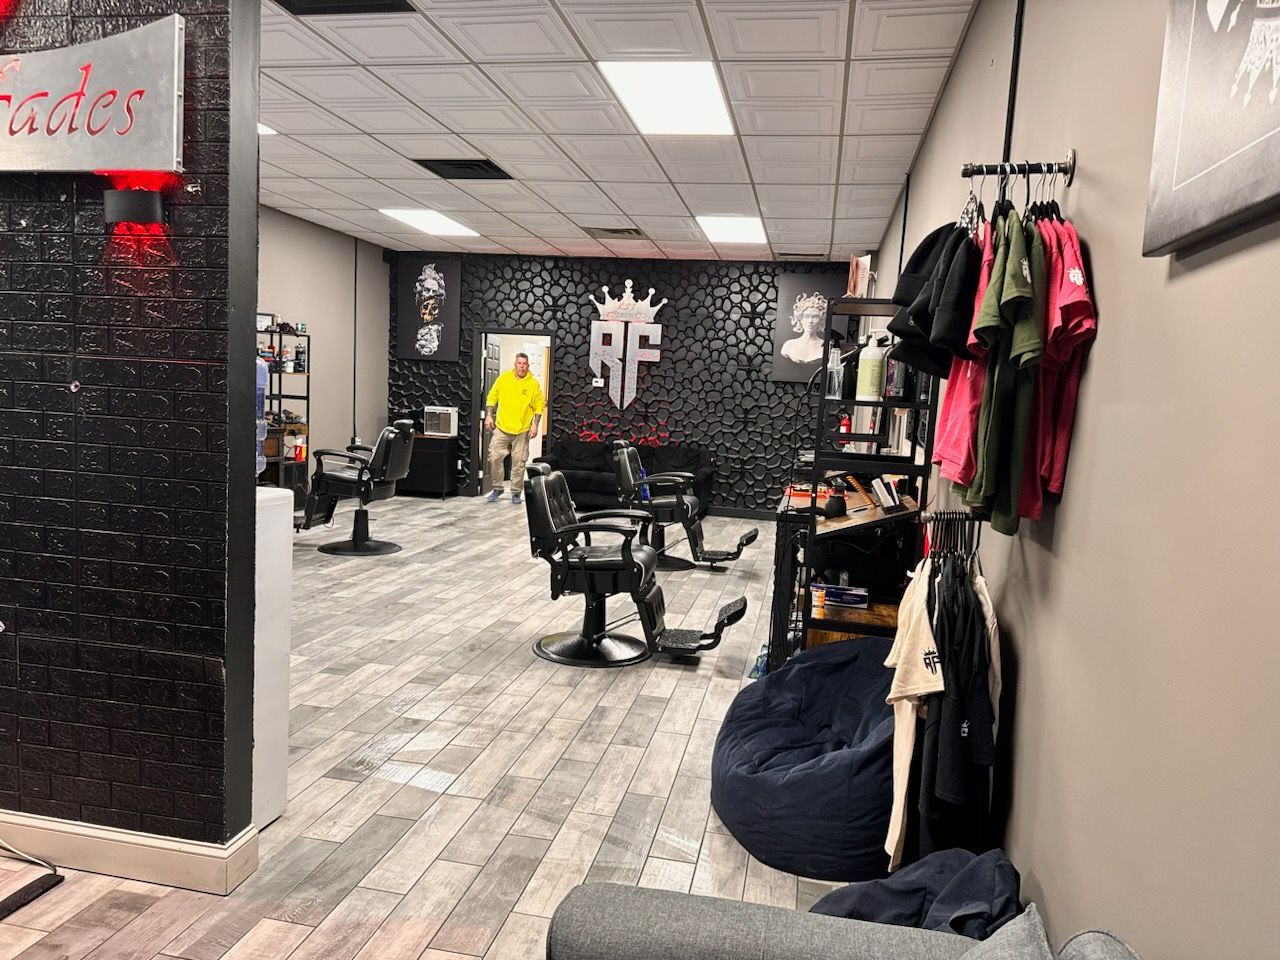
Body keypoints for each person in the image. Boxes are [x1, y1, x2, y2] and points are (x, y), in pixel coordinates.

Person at [484, 352, 546, 504]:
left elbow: (539, 406)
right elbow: (492, 397)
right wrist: (489, 415)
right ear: (515, 364)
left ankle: (516, 492)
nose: (522, 367)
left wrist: (535, 425)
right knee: (494, 457)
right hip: (502, 427)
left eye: (524, 364)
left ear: (528, 365)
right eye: (519, 363)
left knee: (519, 462)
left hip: (522, 431)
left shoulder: (533, 384)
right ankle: (497, 488)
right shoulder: (504, 379)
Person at [780, 292, 830, 364]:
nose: (810, 321)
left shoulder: (826, 347)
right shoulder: (789, 345)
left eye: (815, 317)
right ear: (800, 319)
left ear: (821, 320)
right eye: (806, 316)